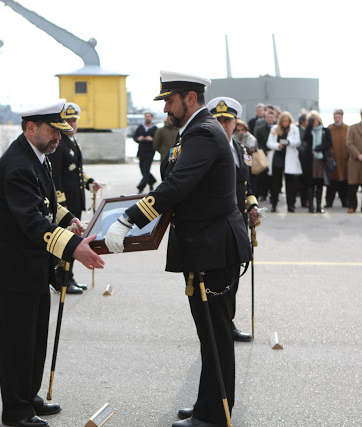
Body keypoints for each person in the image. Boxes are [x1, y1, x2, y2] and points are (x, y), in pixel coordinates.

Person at [104, 71, 252, 427]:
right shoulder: (195, 132)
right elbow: (175, 183)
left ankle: (215, 414)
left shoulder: (202, 131)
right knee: (209, 335)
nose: (165, 108)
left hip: (212, 247)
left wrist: (129, 218)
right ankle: (209, 404)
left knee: (215, 335)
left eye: (169, 101)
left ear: (189, 98)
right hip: (205, 245)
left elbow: (178, 183)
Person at [0, 99, 104, 427]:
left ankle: (28, 394)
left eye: (62, 131)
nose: (59, 137)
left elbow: (45, 201)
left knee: (34, 335)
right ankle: (16, 411)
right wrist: (74, 246)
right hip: (9, 265)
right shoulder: (18, 163)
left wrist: (68, 218)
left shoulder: (38, 156)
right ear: (30, 128)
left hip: (29, 261)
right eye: (53, 130)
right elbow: (31, 219)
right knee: (18, 340)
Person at [207, 96, 258, 343]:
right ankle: (216, 325)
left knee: (234, 277)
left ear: (236, 122)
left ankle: (228, 323)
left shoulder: (241, 150)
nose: (223, 124)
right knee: (217, 279)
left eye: (227, 120)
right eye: (218, 120)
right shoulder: (208, 149)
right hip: (217, 224)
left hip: (238, 224)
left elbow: (245, 187)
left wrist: (253, 205)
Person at [48, 102, 101, 294]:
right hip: (65, 203)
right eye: (68, 120)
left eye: (74, 120)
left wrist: (90, 182)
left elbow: (77, 172)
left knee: (74, 241)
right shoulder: (59, 143)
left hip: (76, 200)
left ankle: (69, 276)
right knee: (65, 243)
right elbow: (55, 177)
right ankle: (61, 279)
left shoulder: (72, 141)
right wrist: (60, 204)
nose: (72, 123)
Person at [267, 111, 302, 212]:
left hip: (289, 157)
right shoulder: (274, 129)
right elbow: (269, 143)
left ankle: (291, 205)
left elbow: (298, 142)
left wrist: (289, 142)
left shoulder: (294, 129)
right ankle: (274, 203)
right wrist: (278, 145)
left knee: (290, 184)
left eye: (286, 121)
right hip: (278, 157)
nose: (285, 123)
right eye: (283, 121)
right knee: (275, 183)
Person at [301, 111, 332, 213]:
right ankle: (311, 206)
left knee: (319, 183)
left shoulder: (325, 130)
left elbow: (329, 143)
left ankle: (319, 205)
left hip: (320, 159)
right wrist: (309, 125)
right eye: (311, 119)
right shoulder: (309, 130)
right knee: (310, 184)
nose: (313, 121)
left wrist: (320, 148)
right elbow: (305, 139)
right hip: (310, 160)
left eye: (314, 119)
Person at [326, 109, 349, 208]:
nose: (337, 119)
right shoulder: (329, 128)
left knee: (344, 182)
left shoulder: (347, 128)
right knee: (331, 183)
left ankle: (345, 201)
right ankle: (329, 202)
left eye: (339, 117)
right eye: (335, 117)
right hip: (333, 160)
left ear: (342, 117)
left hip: (344, 161)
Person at [253, 108, 276, 201]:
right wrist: (265, 150)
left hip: (275, 154)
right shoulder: (260, 129)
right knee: (262, 176)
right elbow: (258, 142)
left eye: (271, 117)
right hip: (263, 155)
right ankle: (263, 194)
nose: (269, 119)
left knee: (273, 177)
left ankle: (273, 195)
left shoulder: (277, 129)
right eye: (268, 117)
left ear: (274, 118)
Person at [133, 111, 158, 193]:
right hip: (141, 151)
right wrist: (137, 139)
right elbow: (135, 136)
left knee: (146, 169)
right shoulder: (140, 127)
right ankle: (152, 181)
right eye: (146, 116)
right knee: (143, 170)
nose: (147, 118)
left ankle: (141, 187)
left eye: (149, 116)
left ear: (152, 118)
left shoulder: (155, 129)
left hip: (150, 152)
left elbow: (158, 139)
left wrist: (152, 139)